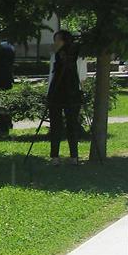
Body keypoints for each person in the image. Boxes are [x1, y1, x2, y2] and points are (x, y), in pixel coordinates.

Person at [47, 30, 87, 165]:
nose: (55, 43)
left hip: (62, 93)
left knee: (62, 125)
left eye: (58, 40)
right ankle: (66, 157)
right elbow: (82, 77)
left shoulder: (59, 54)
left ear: (65, 41)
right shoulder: (77, 55)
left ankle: (62, 157)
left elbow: (52, 76)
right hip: (69, 93)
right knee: (67, 125)